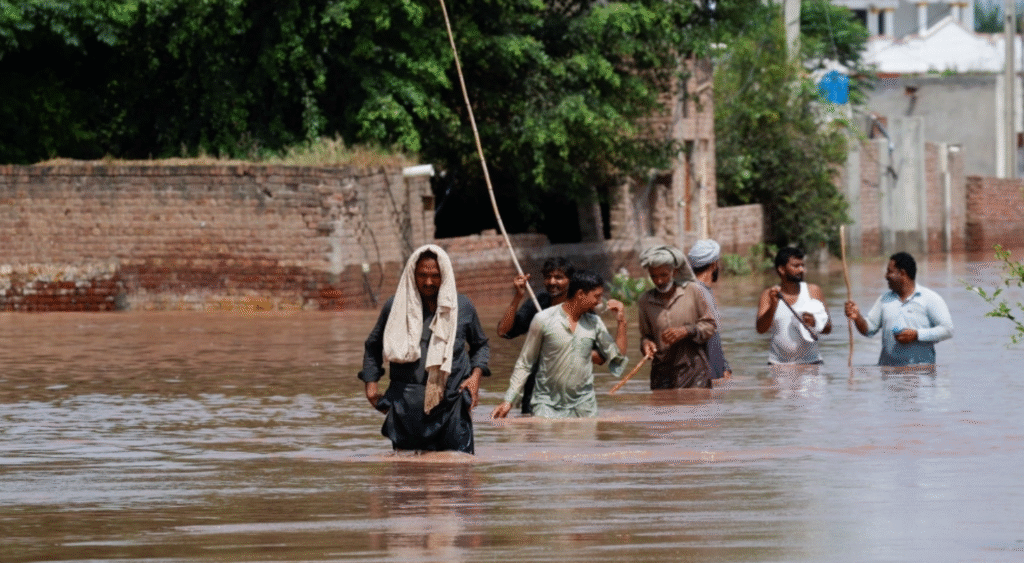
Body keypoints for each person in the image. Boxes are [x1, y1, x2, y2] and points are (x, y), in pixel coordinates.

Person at [358, 245, 490, 454]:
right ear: (412, 273)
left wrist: (475, 377)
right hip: (405, 408)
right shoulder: (395, 307)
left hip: (452, 405)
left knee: (459, 477)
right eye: (422, 275)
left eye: (435, 276)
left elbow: (480, 346)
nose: (428, 282)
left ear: (444, 275)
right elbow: (373, 346)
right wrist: (371, 390)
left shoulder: (461, 307)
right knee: (408, 478)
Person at [491, 270, 628, 419]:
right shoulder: (543, 319)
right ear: (581, 294)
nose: (600, 302)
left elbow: (617, 356)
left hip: (584, 406)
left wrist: (621, 321)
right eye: (597, 296)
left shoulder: (594, 323)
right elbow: (525, 363)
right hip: (546, 405)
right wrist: (508, 401)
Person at [497, 257, 598, 414]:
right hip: (536, 393)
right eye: (548, 277)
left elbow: (600, 356)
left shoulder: (584, 310)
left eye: (559, 277)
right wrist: (518, 296)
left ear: (570, 281)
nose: (552, 282)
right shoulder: (538, 305)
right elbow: (503, 331)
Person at [844, 252, 953, 366]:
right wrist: (857, 317)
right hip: (888, 373)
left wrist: (916, 335)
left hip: (921, 375)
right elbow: (869, 330)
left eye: (890, 271)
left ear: (902, 273)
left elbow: (948, 330)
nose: (886, 276)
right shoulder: (884, 300)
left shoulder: (930, 298)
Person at [637, 245, 717, 389]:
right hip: (661, 372)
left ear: (674, 272)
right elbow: (646, 335)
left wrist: (687, 331)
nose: (659, 281)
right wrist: (646, 345)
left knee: (695, 407)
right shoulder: (644, 301)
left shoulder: (693, 291)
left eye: (664, 275)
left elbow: (710, 326)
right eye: (653, 276)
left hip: (693, 370)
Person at [756, 247, 833, 364]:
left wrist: (814, 322)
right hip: (778, 365)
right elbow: (760, 329)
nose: (802, 270)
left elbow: (828, 328)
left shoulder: (813, 291)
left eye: (802, 265)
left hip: (811, 364)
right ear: (782, 269)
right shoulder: (768, 295)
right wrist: (773, 306)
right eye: (796, 266)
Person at [688, 239, 732, 383]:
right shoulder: (699, 291)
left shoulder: (699, 289)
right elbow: (706, 335)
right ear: (714, 265)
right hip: (704, 370)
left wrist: (724, 366)